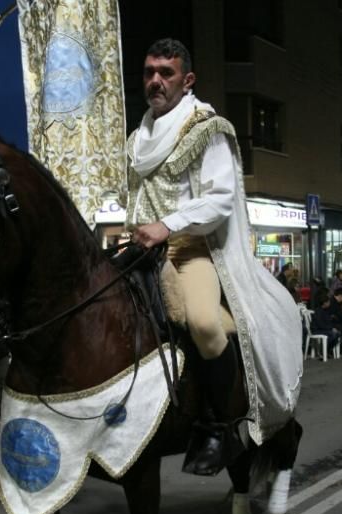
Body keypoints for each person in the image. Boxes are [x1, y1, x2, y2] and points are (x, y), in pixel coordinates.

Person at [125, 38, 303, 471]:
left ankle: (219, 425)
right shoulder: (137, 139)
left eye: (165, 73)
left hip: (190, 251)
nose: (155, 81)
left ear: (187, 81)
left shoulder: (206, 127)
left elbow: (220, 199)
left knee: (203, 322)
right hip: (141, 250)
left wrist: (167, 226)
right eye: (149, 71)